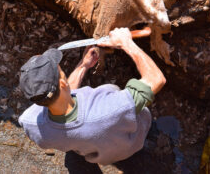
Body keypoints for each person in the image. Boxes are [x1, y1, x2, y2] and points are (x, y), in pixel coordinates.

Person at [18, 27, 166, 165]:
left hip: (96, 154)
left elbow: (61, 97)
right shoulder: (110, 109)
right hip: (131, 141)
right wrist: (126, 43)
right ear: (63, 83)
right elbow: (156, 80)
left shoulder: (30, 122)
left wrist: (83, 65)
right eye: (60, 70)